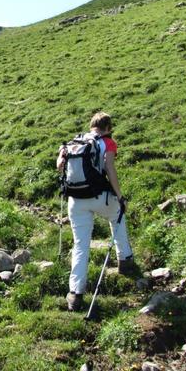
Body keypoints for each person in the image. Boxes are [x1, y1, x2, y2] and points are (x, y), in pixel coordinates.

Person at [56, 112, 135, 312]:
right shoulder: (107, 142)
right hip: (100, 196)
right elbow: (109, 168)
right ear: (107, 127)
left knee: (80, 244)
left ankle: (75, 294)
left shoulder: (74, 142)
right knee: (117, 216)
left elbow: (59, 166)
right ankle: (125, 260)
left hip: (76, 200)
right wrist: (119, 196)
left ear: (91, 125)